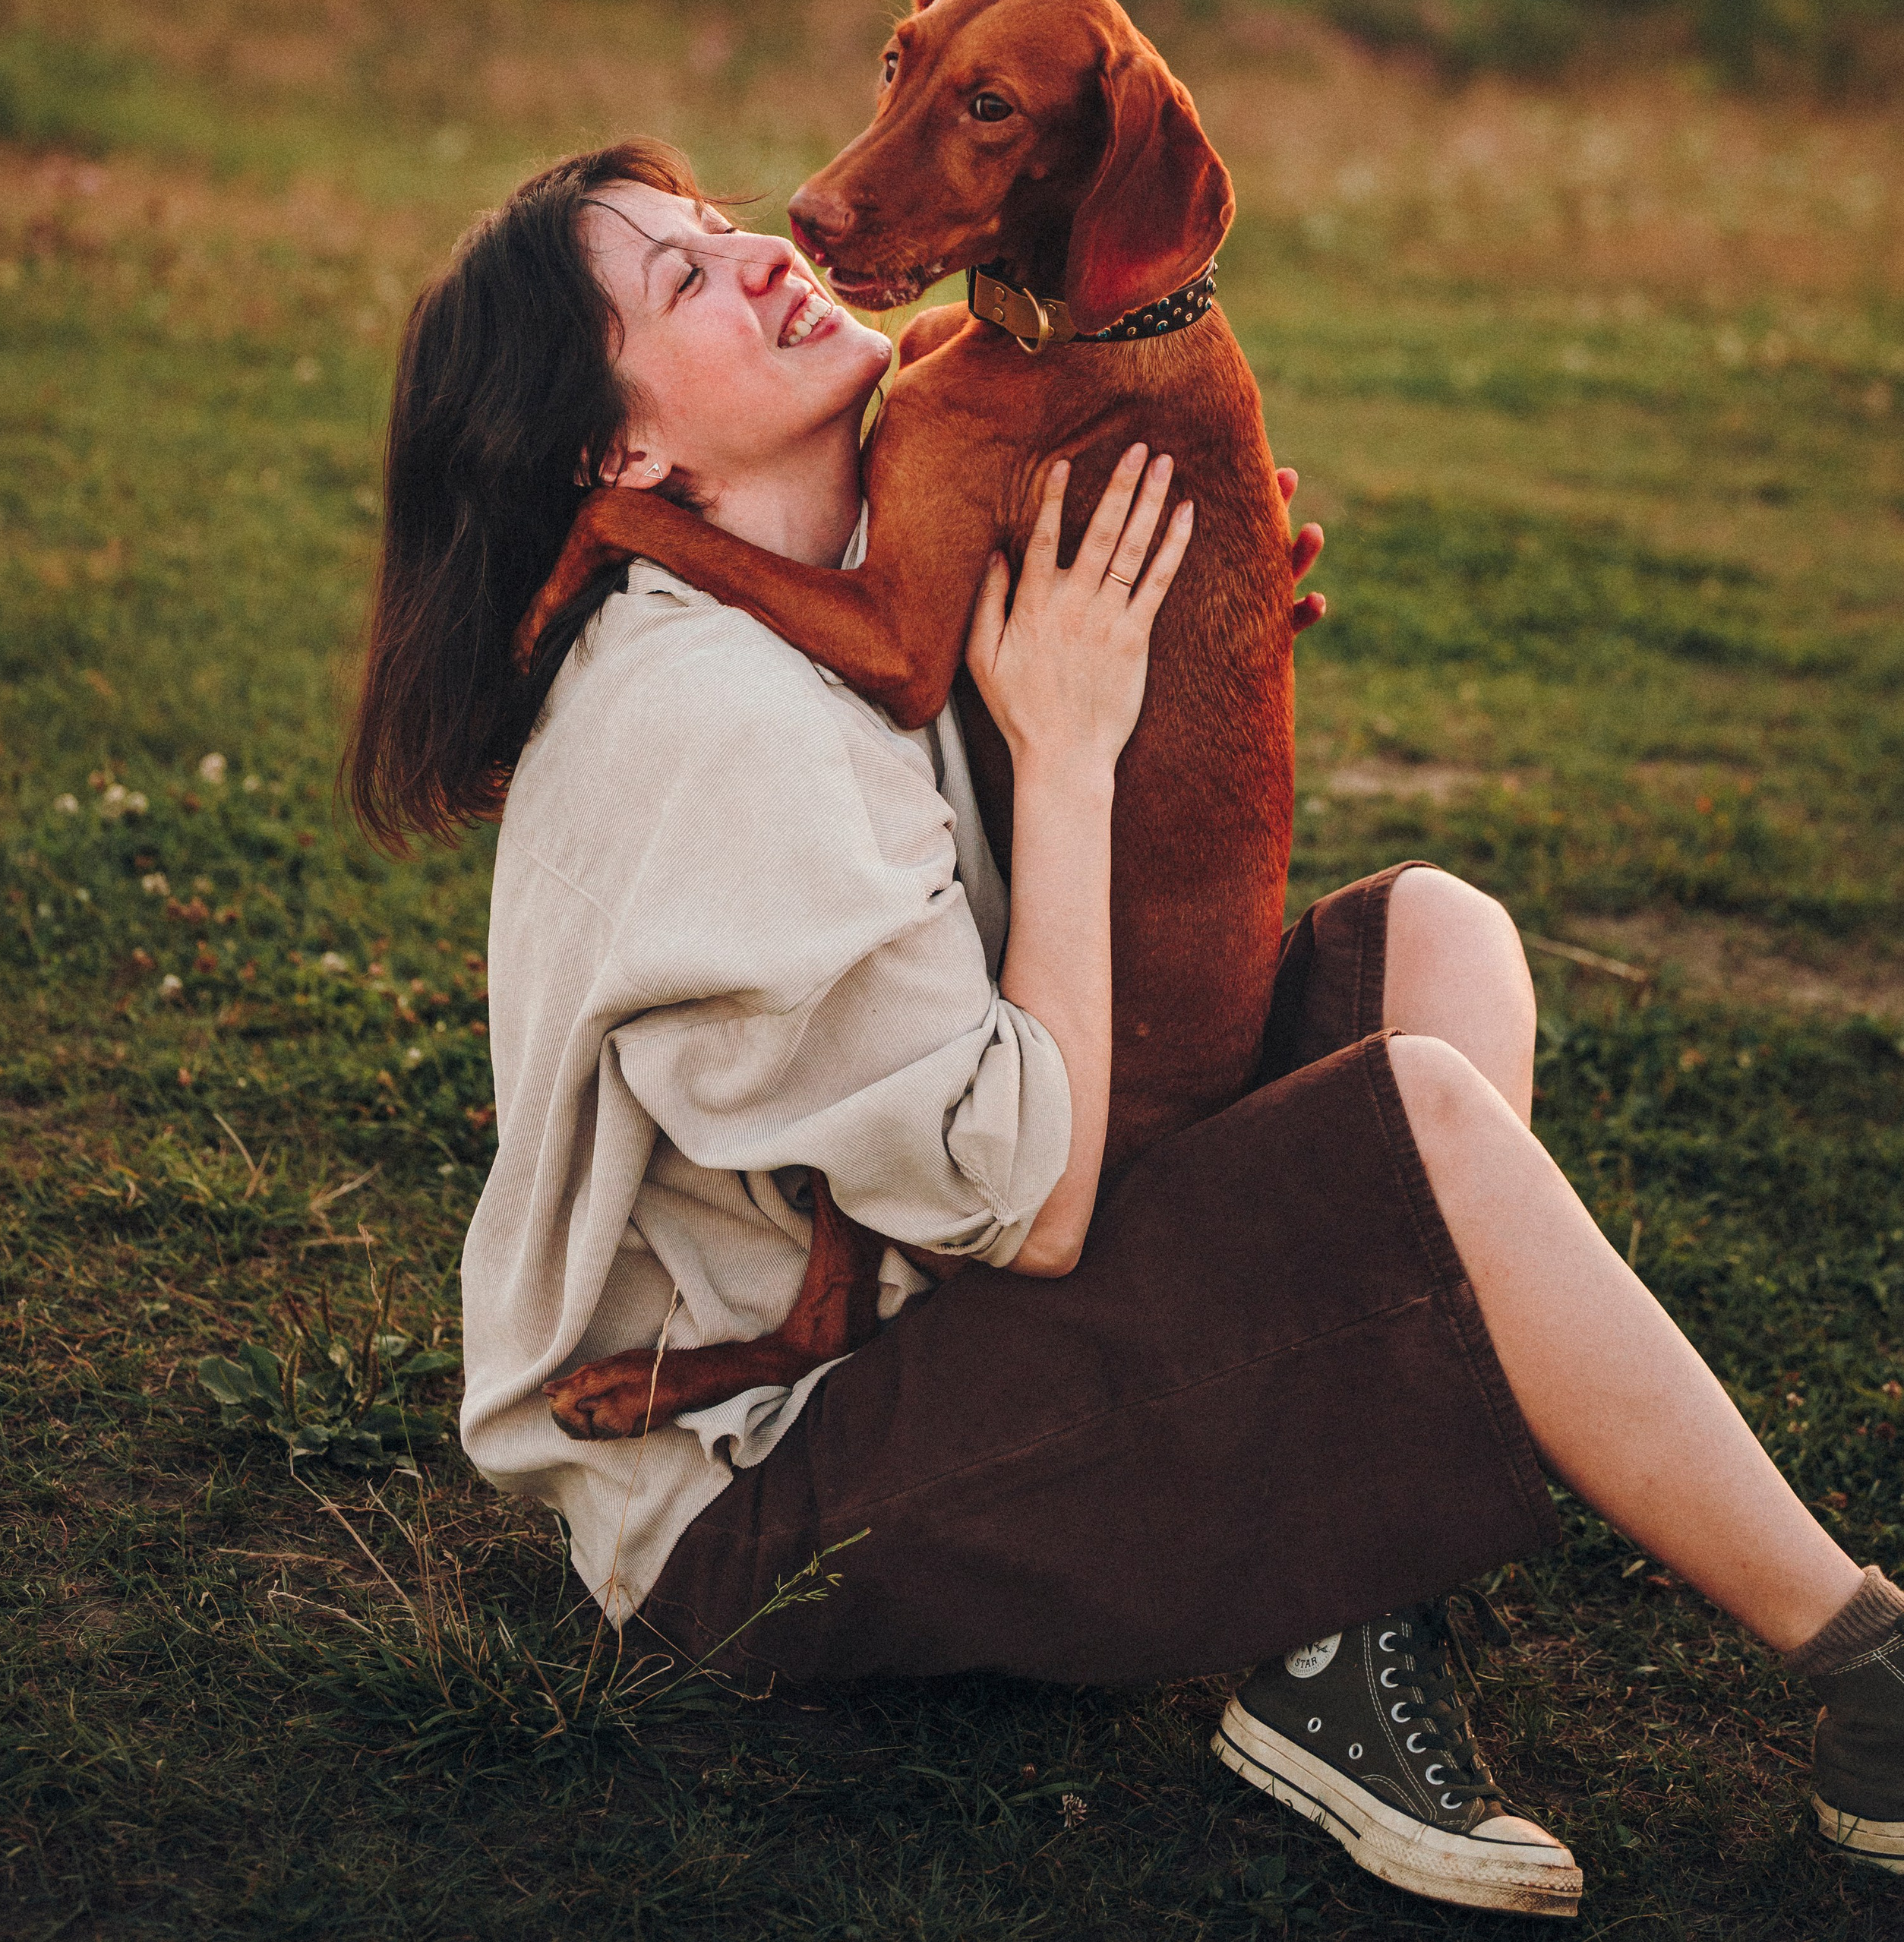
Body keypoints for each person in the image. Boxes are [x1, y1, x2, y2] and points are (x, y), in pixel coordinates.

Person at [347, 138, 1904, 1918]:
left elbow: (1022, 962)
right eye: (678, 281)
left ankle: (1331, 1645)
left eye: (715, 225)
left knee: (1434, 943)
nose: (754, 253)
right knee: (1423, 1121)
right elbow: (1043, 1205)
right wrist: (1071, 752)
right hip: (771, 1502)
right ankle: (1867, 1672)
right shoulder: (708, 722)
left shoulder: (843, 589)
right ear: (618, 457)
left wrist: (1167, 672)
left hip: (942, 1312)